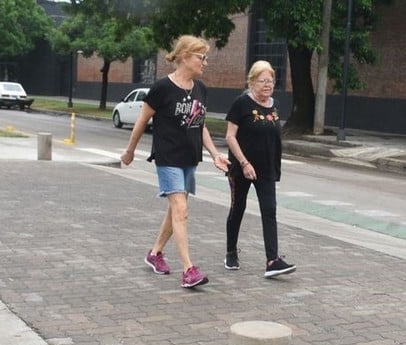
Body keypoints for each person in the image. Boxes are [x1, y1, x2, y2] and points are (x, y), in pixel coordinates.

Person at [120, 35, 230, 288]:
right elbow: (141, 121)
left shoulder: (201, 89)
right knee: (181, 210)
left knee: (175, 212)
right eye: (201, 57)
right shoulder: (161, 89)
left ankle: (155, 253)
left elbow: (199, 125)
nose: (205, 62)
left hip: (190, 158)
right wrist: (130, 151)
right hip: (168, 157)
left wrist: (215, 154)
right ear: (184, 57)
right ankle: (188, 270)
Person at [223, 60, 296, 278]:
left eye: (271, 80)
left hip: (266, 169)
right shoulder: (241, 103)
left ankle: (272, 260)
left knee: (270, 210)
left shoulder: (274, 104)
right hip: (241, 167)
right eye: (263, 80)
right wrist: (244, 163)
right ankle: (231, 252)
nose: (268, 85)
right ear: (252, 81)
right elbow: (230, 136)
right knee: (238, 208)